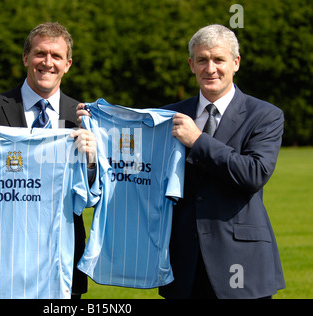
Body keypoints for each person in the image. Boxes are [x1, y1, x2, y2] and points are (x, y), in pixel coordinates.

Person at [77, 24, 285, 299]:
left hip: (240, 261)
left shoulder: (265, 115)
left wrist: (198, 140)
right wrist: (97, 132)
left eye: (218, 60)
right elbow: (132, 166)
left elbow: (254, 174)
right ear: (191, 64)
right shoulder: (167, 116)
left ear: (236, 63)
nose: (210, 68)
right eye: (202, 60)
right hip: (183, 262)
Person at [0, 22, 96, 299]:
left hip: (60, 259)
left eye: (56, 56)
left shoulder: (83, 117)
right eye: (40, 54)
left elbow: (94, 194)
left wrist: (92, 161)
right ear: (26, 58)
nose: (47, 62)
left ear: (68, 64)